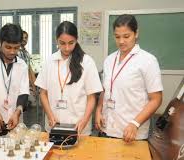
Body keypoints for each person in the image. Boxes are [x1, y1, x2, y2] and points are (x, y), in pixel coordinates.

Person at [95, 14, 163, 143]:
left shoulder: (148, 61)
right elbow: (105, 89)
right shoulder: (109, 60)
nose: (121, 41)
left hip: (131, 132)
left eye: (126, 36)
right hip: (106, 128)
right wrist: (98, 110)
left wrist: (135, 123)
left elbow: (156, 99)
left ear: (136, 33)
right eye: (117, 37)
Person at [35, 21, 103, 135]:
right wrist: (50, 115)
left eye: (71, 43)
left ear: (77, 40)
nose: (67, 48)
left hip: (78, 126)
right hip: (54, 125)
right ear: (56, 40)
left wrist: (85, 120)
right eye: (62, 43)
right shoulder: (49, 61)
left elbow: (91, 98)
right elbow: (43, 93)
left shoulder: (87, 62)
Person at [18, 31, 37, 102]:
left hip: (26, 84)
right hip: (19, 84)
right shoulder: (17, 52)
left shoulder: (26, 53)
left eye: (26, 38)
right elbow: (26, 70)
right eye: (22, 37)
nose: (24, 39)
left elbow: (29, 69)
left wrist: (34, 85)